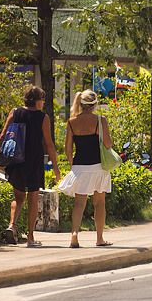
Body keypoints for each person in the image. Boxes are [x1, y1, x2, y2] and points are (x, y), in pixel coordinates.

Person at [0, 86, 61, 247]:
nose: (43, 102)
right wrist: (56, 168)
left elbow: (2, 136)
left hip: (16, 161)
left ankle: (12, 225)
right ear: (37, 100)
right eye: (42, 99)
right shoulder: (43, 118)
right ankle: (31, 238)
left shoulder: (15, 112)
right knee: (33, 198)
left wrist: (2, 157)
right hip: (33, 161)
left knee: (18, 198)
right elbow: (49, 144)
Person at [56, 90, 113, 248]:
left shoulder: (72, 121)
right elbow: (108, 144)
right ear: (94, 104)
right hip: (98, 166)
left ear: (80, 104)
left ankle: (74, 234)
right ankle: (99, 238)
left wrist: (72, 164)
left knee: (79, 204)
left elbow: (68, 148)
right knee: (99, 203)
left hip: (80, 166)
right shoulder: (101, 120)